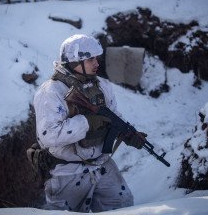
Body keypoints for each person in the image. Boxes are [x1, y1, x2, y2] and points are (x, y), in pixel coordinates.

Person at [33, 34, 146, 212]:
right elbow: (48, 136)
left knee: (123, 208)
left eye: (96, 58)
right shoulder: (51, 91)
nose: (97, 63)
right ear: (73, 61)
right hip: (67, 172)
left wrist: (127, 133)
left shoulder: (101, 85)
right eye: (90, 59)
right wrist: (86, 122)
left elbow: (113, 115)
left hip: (101, 165)